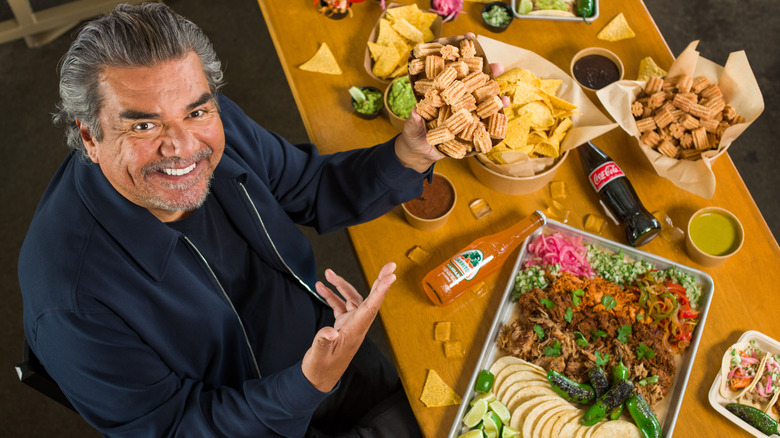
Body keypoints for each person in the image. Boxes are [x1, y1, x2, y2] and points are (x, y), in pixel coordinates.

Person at [19, 3, 506, 437]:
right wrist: (305, 385)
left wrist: (410, 153)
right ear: (88, 135)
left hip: (335, 347)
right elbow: (172, 426)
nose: (184, 147)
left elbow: (311, 187)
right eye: (144, 124)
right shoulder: (68, 300)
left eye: (195, 111)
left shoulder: (216, 120)